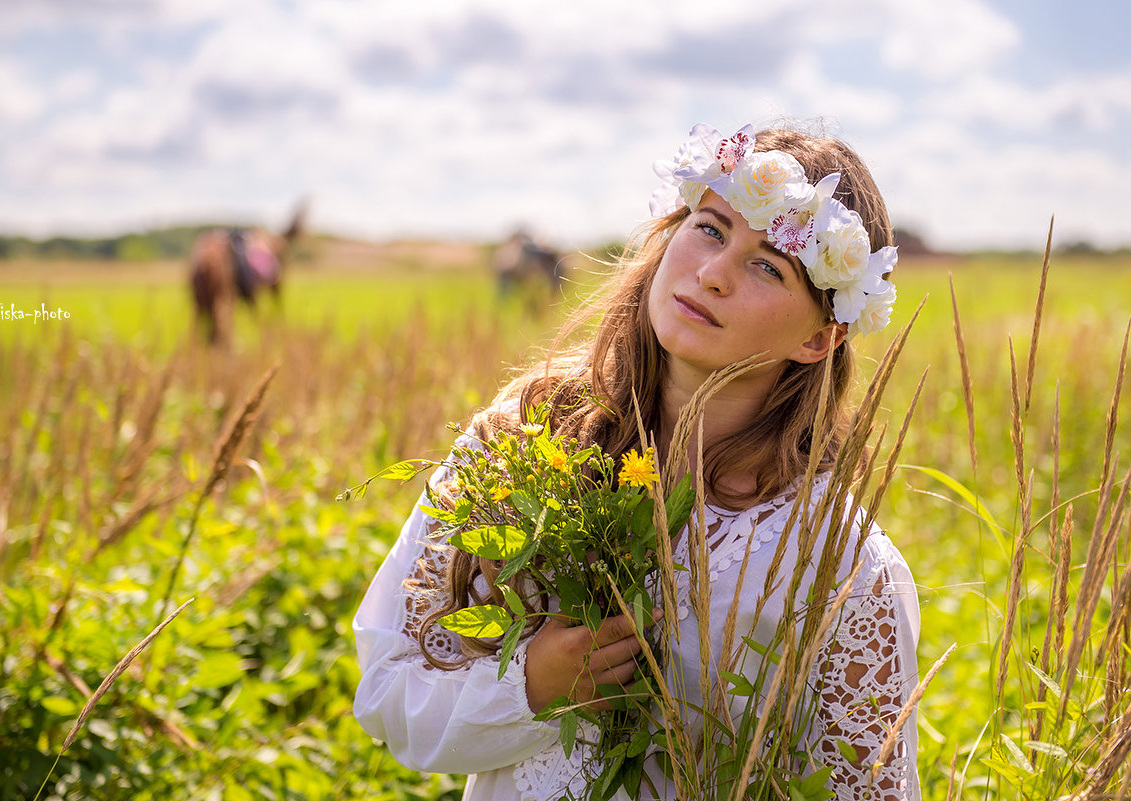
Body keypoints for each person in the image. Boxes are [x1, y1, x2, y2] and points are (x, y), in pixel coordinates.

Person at [353, 121, 920, 800]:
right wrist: (533, 685)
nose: (712, 274)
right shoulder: (519, 444)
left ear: (820, 337)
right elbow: (388, 691)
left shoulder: (840, 564)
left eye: (767, 265)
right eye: (710, 228)